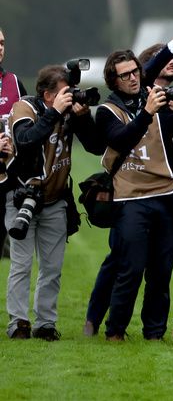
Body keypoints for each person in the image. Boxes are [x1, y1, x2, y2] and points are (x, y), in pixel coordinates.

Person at [97, 17, 173, 341]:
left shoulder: (150, 93)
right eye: (126, 75)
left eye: (136, 72)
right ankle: (115, 330)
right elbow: (121, 140)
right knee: (130, 269)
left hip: (165, 196)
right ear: (113, 81)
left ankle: (154, 333)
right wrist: (147, 112)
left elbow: (157, 63)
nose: (133, 78)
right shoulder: (107, 111)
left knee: (161, 271)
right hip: (131, 199)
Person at [4, 66, 103, 340]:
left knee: (52, 267)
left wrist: (82, 120)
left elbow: (96, 147)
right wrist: (54, 113)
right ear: (47, 95)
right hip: (22, 197)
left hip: (55, 199)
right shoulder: (24, 108)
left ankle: (46, 323)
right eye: (63, 93)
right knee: (21, 265)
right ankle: (19, 322)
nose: (69, 97)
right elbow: (25, 141)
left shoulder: (68, 112)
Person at [0, 26, 27, 257]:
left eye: (1, 43)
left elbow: (29, 125)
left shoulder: (14, 82)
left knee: (17, 255)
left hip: (10, 178)